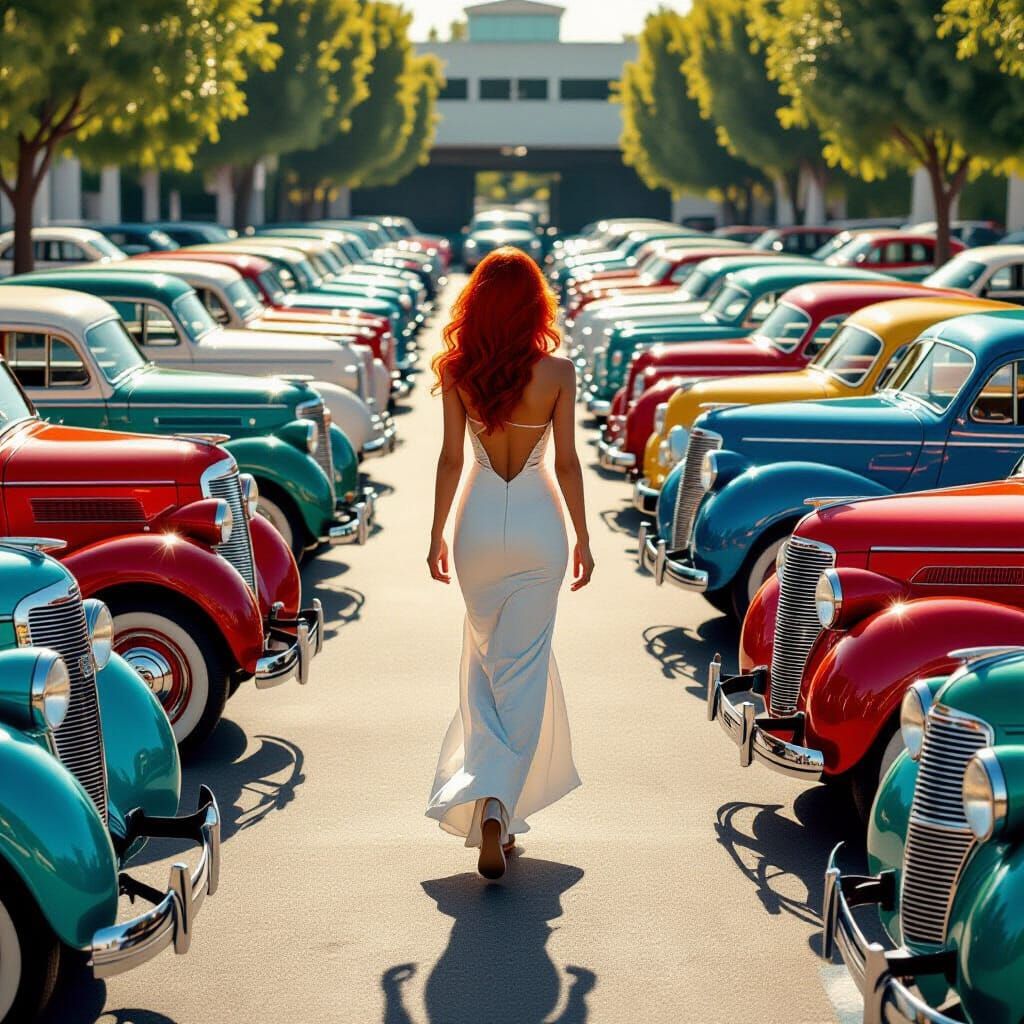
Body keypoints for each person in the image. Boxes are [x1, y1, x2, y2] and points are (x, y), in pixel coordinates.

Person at [425, 246, 593, 880]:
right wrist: (583, 536)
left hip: (475, 528)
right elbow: (569, 463)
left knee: (484, 661)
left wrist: (436, 533)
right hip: (536, 524)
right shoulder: (558, 373)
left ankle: (492, 801)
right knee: (522, 672)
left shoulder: (456, 370)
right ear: (533, 307)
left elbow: (448, 460)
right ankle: (496, 806)